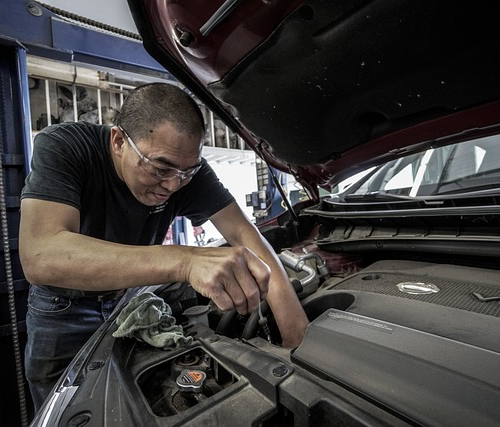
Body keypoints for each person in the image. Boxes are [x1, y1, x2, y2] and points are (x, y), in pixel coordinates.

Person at [19, 82, 309, 412]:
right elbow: (41, 255)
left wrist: (297, 338)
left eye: (187, 171)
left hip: (131, 300)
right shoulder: (66, 146)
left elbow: (246, 236)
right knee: (64, 410)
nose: (173, 185)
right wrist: (185, 261)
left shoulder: (185, 171)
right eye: (160, 169)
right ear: (118, 141)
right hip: (63, 308)